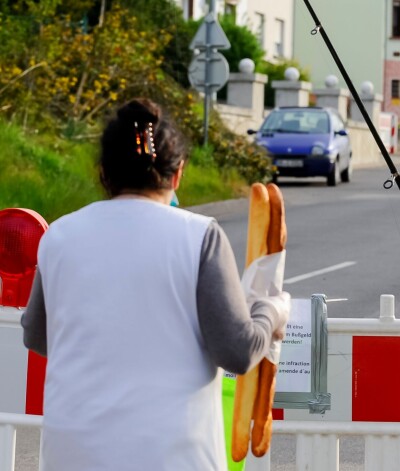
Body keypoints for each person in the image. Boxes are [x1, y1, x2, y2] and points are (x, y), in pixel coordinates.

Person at [21, 98, 290, 471]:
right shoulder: (200, 237)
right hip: (172, 455)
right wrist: (271, 310)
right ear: (177, 173)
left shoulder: (59, 236)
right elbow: (237, 351)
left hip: (72, 454)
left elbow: (37, 335)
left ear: (103, 172)